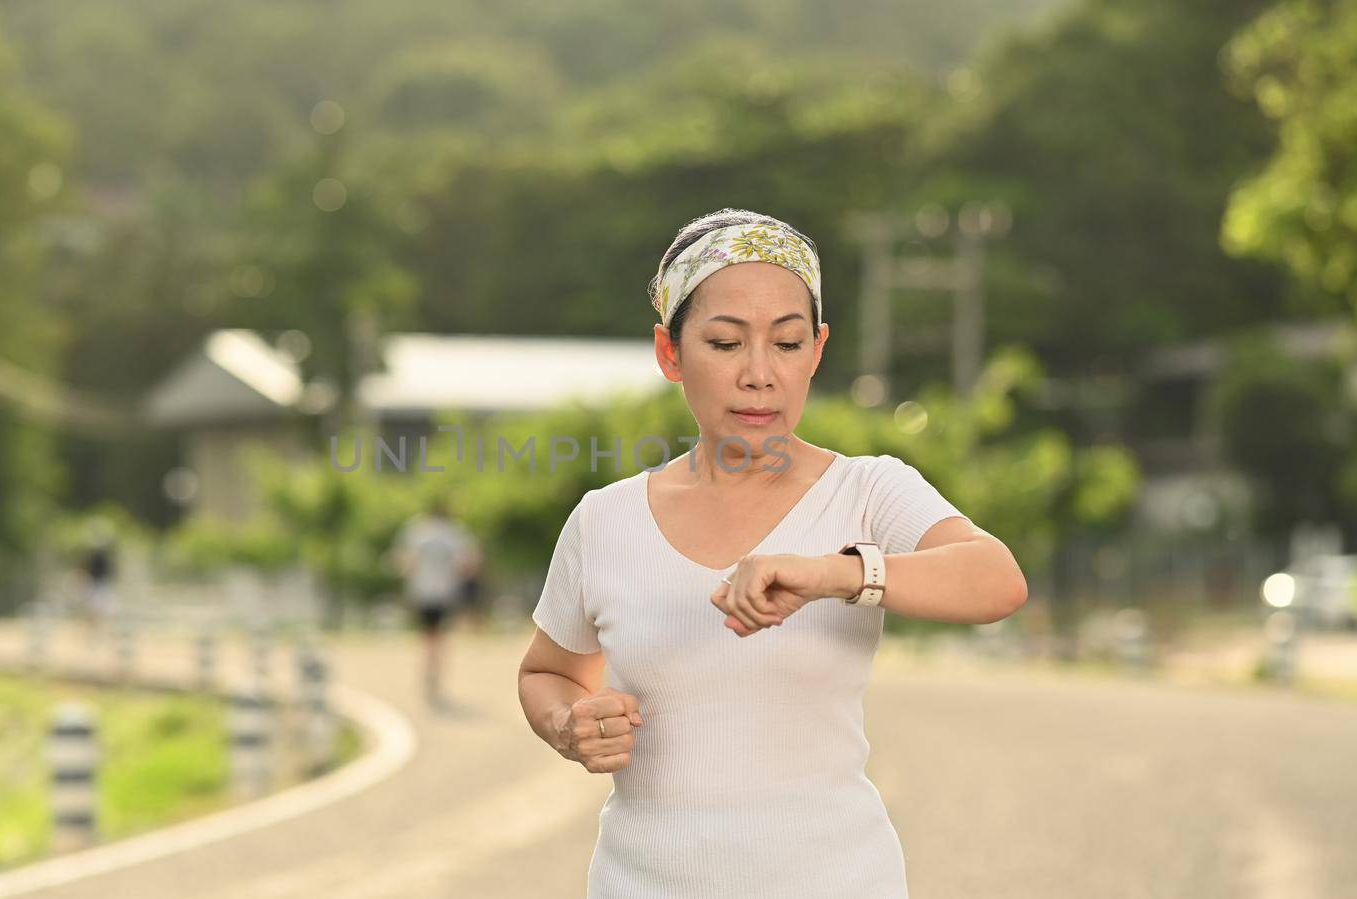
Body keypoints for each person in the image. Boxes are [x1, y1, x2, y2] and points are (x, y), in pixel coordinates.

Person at [516, 208, 1030, 898]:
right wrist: (566, 725)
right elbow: (548, 671)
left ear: (816, 350)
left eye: (787, 344)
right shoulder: (604, 521)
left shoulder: (867, 491)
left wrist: (834, 573)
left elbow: (996, 580)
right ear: (670, 353)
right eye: (726, 343)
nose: (760, 374)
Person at [390, 496, 480, 708]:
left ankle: (429, 669)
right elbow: (470, 562)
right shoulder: (455, 532)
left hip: (421, 590)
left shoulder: (416, 529)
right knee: (439, 634)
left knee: (427, 633)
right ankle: (435, 670)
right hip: (445, 591)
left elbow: (403, 560)